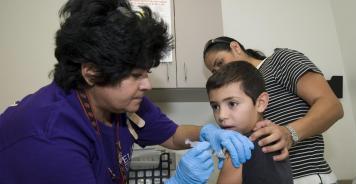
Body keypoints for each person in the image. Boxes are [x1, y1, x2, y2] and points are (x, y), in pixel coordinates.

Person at [0, 1, 254, 183]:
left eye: (145, 73)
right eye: (135, 76)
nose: (147, 85)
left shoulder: (123, 102)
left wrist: (209, 133)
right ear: (91, 73)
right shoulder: (52, 141)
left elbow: (174, 135)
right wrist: (179, 181)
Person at [203, 36, 344, 183]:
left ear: (236, 48)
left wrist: (290, 133)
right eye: (215, 71)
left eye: (220, 62)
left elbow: (332, 106)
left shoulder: (279, 61)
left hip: (304, 177)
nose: (221, 71)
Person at [206, 60, 293, 184]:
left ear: (260, 103)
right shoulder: (274, 142)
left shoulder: (237, 150)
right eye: (215, 106)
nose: (221, 116)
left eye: (232, 103)